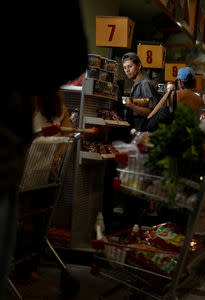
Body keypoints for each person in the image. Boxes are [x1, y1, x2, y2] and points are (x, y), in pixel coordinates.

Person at [1, 1, 88, 297]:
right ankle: (26, 267)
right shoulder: (55, 100)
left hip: (25, 167)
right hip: (38, 170)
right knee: (34, 219)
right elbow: (74, 56)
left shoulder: (32, 100)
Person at [122, 52, 161, 131]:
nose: (127, 70)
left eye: (130, 66)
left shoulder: (145, 84)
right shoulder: (136, 84)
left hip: (145, 132)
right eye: (125, 68)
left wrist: (131, 105)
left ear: (139, 66)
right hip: (137, 131)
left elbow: (152, 112)